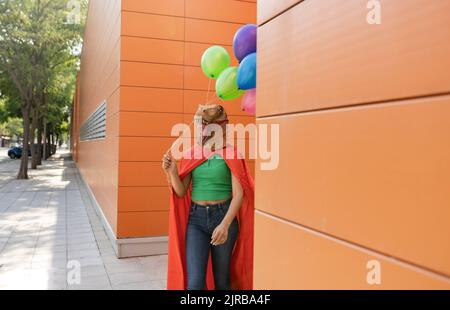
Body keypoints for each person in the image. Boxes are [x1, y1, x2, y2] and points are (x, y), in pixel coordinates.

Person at [162, 104, 254, 290]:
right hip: (196, 221)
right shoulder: (191, 154)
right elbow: (181, 191)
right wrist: (172, 171)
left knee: (222, 282)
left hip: (224, 217)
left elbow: (238, 195)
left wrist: (225, 225)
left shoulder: (233, 154)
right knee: (195, 283)